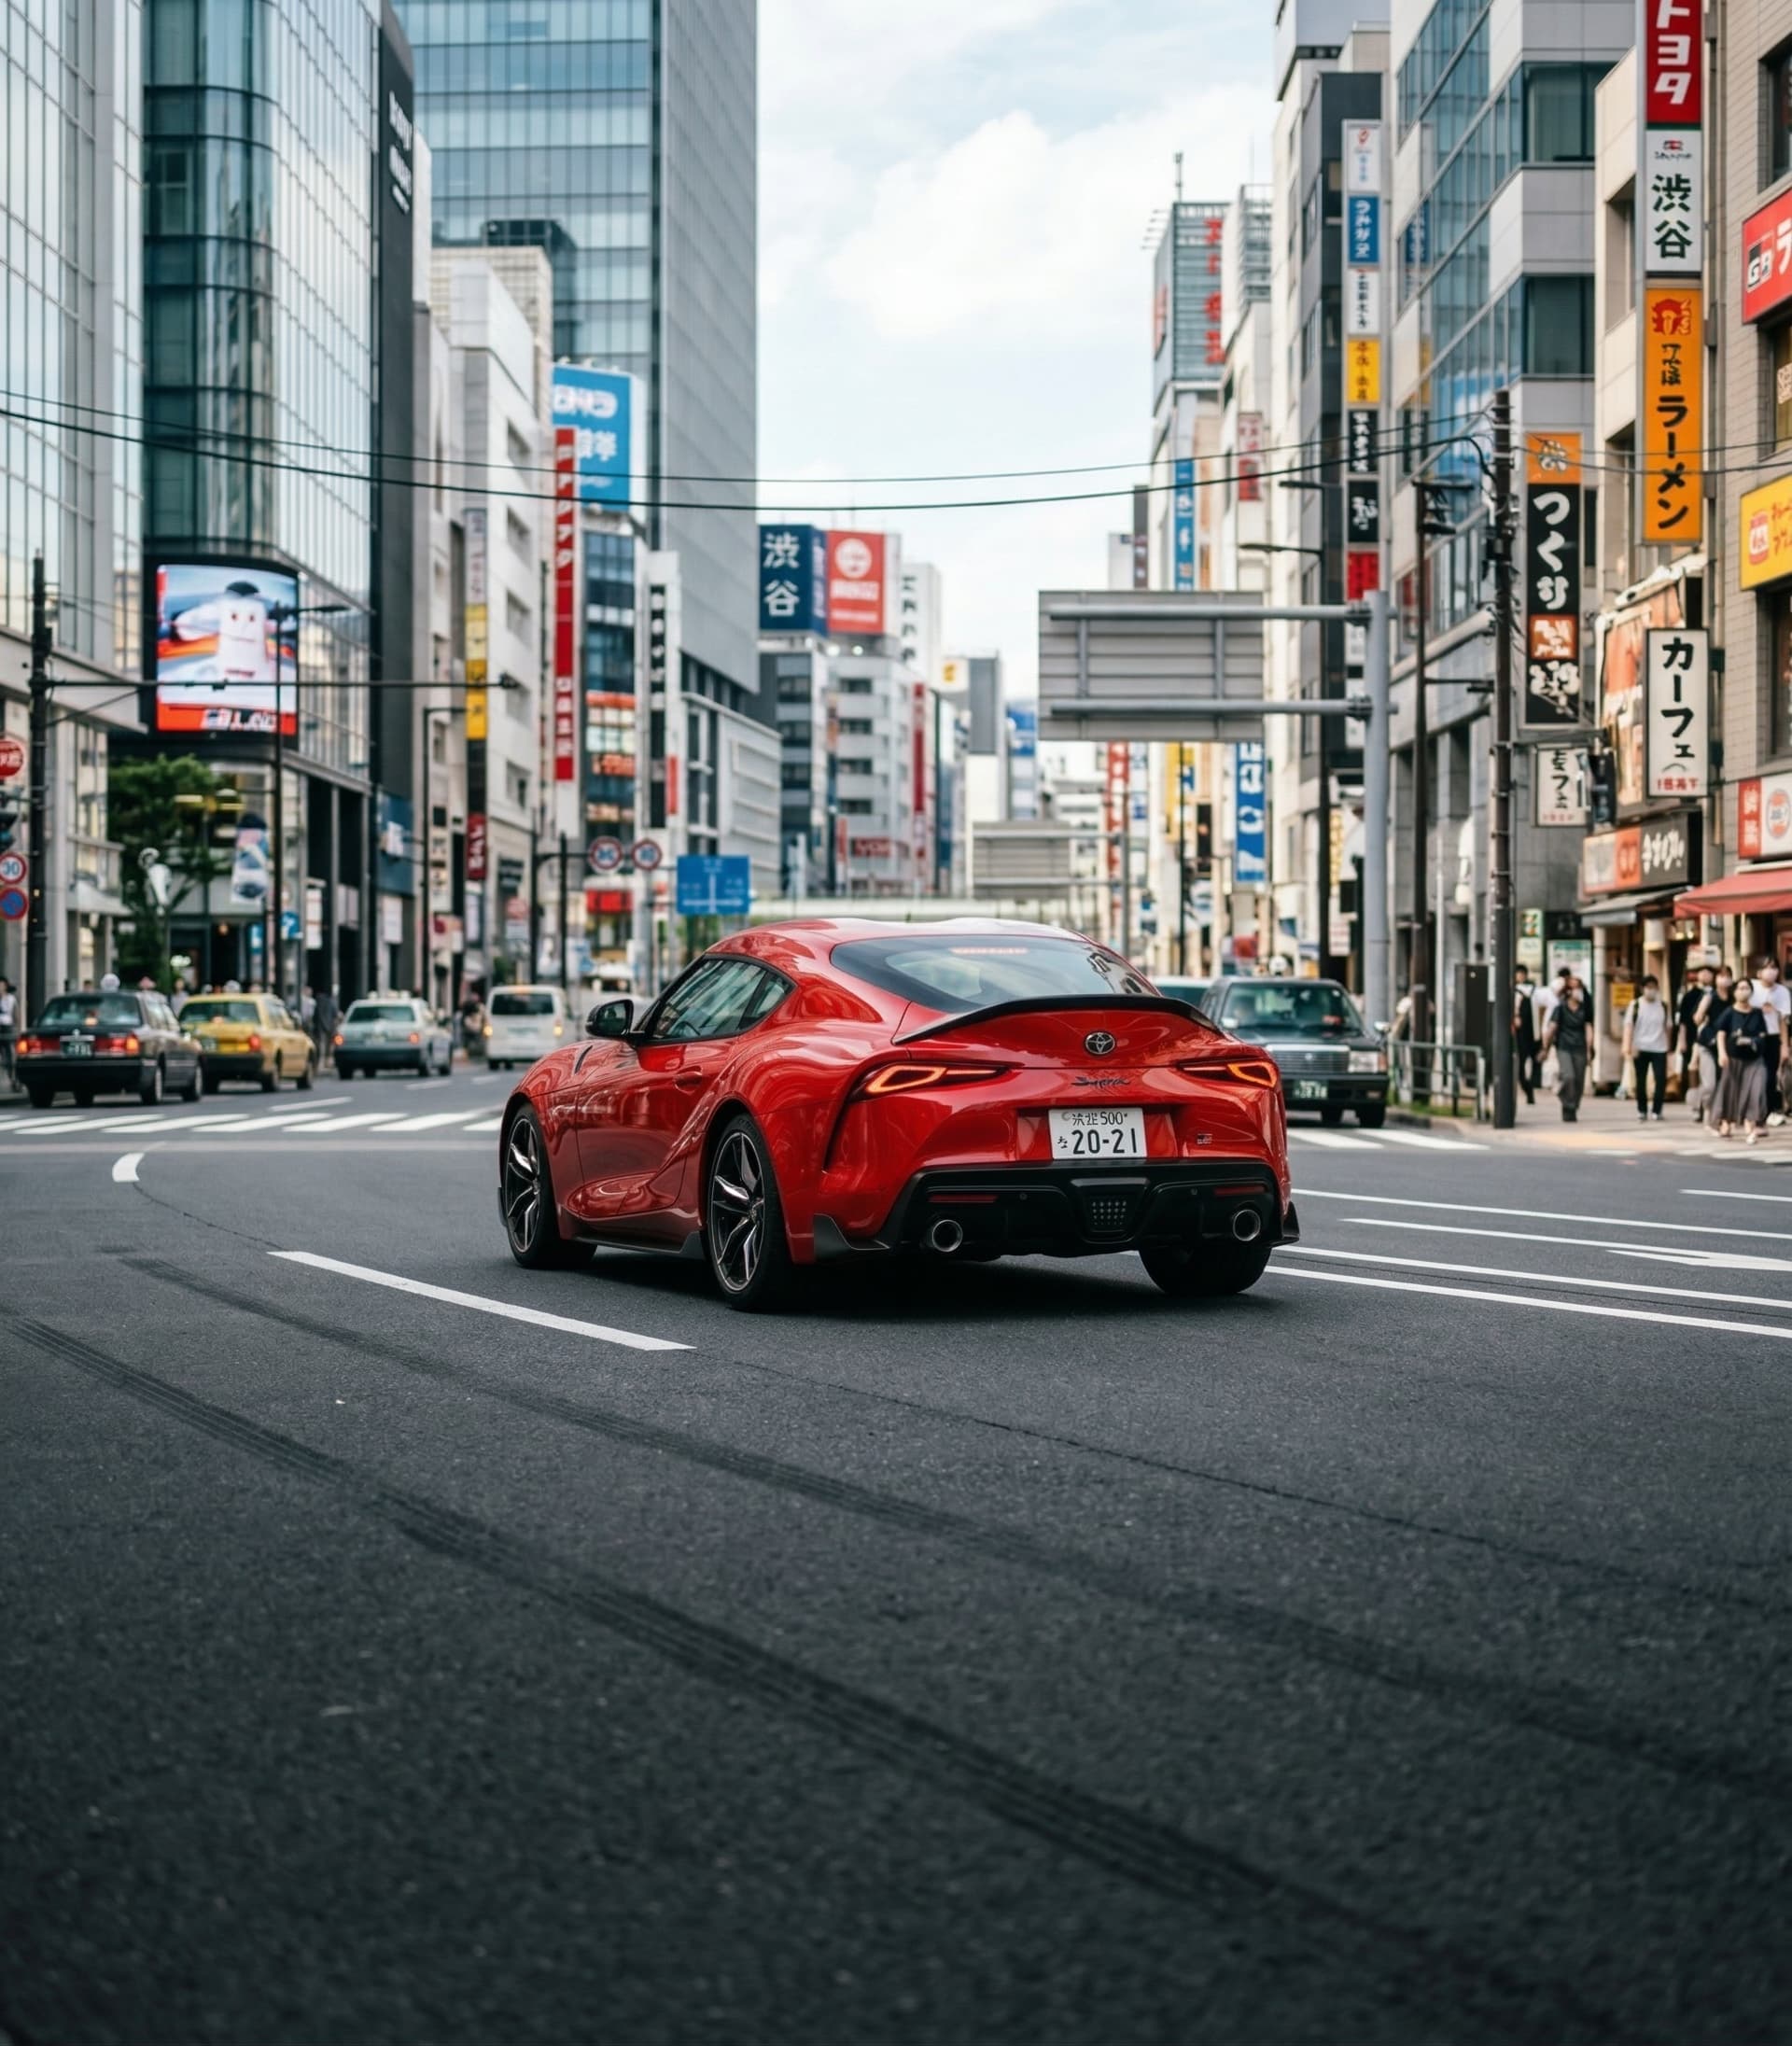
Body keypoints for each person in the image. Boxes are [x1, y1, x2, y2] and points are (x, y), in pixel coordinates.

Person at [1714, 978, 1771, 1142]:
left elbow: (1762, 1034)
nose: (1743, 991)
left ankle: (1750, 1123)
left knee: (1756, 1090)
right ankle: (1726, 1122)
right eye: (1740, 988)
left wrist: (1753, 1041)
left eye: (1746, 988)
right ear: (1734, 992)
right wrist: (1722, 1053)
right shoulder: (1729, 1012)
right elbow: (1721, 1033)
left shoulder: (1757, 1013)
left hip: (1754, 1060)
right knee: (1730, 1092)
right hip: (1734, 1059)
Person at [1621, 973, 1672, 1121]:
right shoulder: (1635, 1005)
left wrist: (1669, 1047)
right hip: (1640, 1047)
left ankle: (1657, 1110)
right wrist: (1627, 1046)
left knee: (1661, 1079)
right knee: (1640, 1080)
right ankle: (1642, 1109)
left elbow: (1668, 1027)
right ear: (1643, 989)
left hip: (1659, 1048)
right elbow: (1629, 1026)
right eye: (1648, 987)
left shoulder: (1663, 1006)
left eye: (1654, 987)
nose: (1651, 990)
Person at [1690, 968, 1733, 1124]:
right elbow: (1697, 1019)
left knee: (1723, 1083)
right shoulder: (1709, 996)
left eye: (1728, 976)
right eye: (1721, 976)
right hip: (1707, 1044)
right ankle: (1698, 1105)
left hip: (1726, 1046)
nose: (1724, 979)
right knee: (1710, 1084)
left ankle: (1715, 1112)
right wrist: (1703, 1008)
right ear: (1716, 979)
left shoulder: (1733, 998)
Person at [1544, 981, 1590, 1121]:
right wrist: (1545, 1047)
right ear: (1569, 991)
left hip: (1580, 1047)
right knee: (1568, 1076)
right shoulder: (1560, 1009)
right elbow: (1552, 1028)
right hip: (1564, 1047)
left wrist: (1589, 1049)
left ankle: (1573, 1106)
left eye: (1580, 989)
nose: (1578, 992)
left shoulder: (1585, 1009)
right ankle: (1568, 1105)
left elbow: (1589, 1028)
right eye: (1576, 989)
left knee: (1579, 1080)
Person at [1755, 957, 1790, 1127]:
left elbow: (1783, 1020)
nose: (1771, 971)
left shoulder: (1782, 992)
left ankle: (1768, 1112)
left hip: (1773, 1038)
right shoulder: (1752, 988)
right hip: (1754, 1037)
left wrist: (1784, 1045)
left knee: (1770, 1078)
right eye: (1767, 967)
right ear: (1759, 972)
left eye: (1774, 967)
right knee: (1756, 1077)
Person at [1513, 965, 1541, 1105]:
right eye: (1518, 974)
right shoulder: (1513, 991)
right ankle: (1528, 1089)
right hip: (1520, 1035)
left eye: (1522, 974)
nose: (1521, 976)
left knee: (1536, 1062)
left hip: (1534, 1033)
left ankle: (1532, 1088)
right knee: (1521, 1067)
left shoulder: (1534, 991)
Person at [313, 984, 340, 1056]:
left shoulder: (318, 1002)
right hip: (329, 1026)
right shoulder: (331, 1001)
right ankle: (327, 1057)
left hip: (320, 1026)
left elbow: (315, 1014)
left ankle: (321, 1058)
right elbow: (335, 1014)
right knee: (329, 1043)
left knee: (321, 1043)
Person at [0, 977, 17, 1088]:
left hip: (7, 1026)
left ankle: (12, 1079)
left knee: (10, 1054)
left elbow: (16, 1014)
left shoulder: (11, 998)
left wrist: (16, 1029)